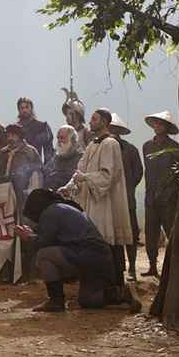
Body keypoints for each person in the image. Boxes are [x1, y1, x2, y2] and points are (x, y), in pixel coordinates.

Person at [15, 189, 141, 313]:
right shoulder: (62, 208)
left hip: (86, 256)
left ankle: (56, 301)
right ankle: (123, 294)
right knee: (87, 300)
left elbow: (42, 244)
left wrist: (28, 237)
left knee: (44, 256)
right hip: (99, 259)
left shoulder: (51, 212)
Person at [59, 109, 133, 289]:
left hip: (105, 202)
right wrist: (68, 187)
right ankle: (98, 285)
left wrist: (86, 178)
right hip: (92, 200)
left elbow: (107, 176)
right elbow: (80, 170)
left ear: (105, 122)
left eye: (94, 119)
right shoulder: (92, 144)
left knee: (108, 243)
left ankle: (115, 287)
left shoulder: (110, 144)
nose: (90, 122)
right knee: (95, 243)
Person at [142, 110, 179, 277]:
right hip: (151, 197)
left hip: (169, 197)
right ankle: (152, 266)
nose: (157, 126)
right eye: (156, 123)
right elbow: (147, 171)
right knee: (151, 233)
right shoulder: (147, 146)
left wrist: (171, 193)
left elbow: (178, 173)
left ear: (166, 127)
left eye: (161, 124)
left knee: (171, 232)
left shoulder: (175, 148)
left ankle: (172, 267)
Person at [110, 113, 143, 281]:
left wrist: (127, 188)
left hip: (127, 199)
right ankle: (116, 270)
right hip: (109, 200)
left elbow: (138, 173)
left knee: (131, 234)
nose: (112, 131)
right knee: (112, 235)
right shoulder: (102, 148)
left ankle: (132, 268)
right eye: (110, 128)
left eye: (115, 129)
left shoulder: (130, 150)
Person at [0, 123, 42, 218]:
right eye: (9, 135)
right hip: (4, 191)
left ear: (20, 136)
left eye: (13, 135)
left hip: (23, 191)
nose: (10, 138)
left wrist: (32, 192)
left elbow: (37, 173)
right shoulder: (3, 152)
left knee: (22, 217)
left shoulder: (30, 152)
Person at [43, 125, 83, 191]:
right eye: (58, 138)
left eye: (62, 138)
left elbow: (75, 178)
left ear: (72, 140)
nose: (59, 141)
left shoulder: (81, 158)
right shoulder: (56, 157)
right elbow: (45, 173)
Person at [16, 97, 55, 164]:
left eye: (27, 107)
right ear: (19, 110)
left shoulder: (42, 127)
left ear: (31, 108)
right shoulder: (14, 129)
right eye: (22, 108)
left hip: (36, 167)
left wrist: (47, 170)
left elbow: (49, 152)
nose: (24, 110)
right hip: (18, 168)